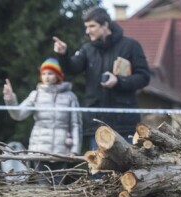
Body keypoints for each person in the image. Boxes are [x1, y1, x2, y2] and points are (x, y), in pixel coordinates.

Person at [52, 7, 150, 147]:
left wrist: (119, 81)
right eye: (86, 27)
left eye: (92, 26)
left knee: (128, 167)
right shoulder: (87, 49)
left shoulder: (131, 46)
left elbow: (144, 77)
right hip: (97, 125)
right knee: (99, 167)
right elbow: (71, 69)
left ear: (105, 25)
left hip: (125, 124)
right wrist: (63, 54)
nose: (87, 31)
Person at [3, 58, 81, 184]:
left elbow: (76, 125)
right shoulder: (35, 95)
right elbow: (18, 115)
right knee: (44, 185)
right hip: (39, 149)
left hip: (62, 151)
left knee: (57, 185)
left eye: (50, 73)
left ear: (58, 75)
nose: (47, 77)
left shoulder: (70, 97)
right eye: (44, 74)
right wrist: (10, 99)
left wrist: (74, 150)